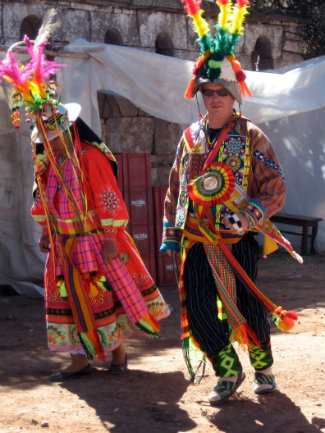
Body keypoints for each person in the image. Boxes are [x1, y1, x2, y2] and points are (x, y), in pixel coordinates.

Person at [0, 29, 170, 381]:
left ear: (67, 129)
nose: (49, 142)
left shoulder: (89, 156)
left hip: (94, 241)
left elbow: (109, 197)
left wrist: (110, 236)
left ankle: (117, 352)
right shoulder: (47, 163)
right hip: (64, 245)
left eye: (53, 135)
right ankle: (81, 358)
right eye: (43, 137)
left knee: (103, 296)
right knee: (71, 299)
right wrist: (46, 232)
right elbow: (45, 199)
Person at [161, 0, 299, 405]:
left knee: (250, 308)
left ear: (234, 95)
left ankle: (264, 370)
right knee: (200, 313)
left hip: (237, 241)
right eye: (208, 91)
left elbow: (275, 185)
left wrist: (249, 216)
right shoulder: (189, 137)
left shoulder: (252, 136)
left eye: (222, 91)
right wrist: (172, 233)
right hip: (198, 242)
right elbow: (176, 185)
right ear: (201, 93)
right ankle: (227, 369)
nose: (214, 97)